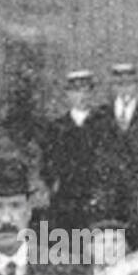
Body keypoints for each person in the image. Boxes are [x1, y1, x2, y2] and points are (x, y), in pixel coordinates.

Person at [91, 63, 138, 250]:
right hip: (107, 197)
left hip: (135, 194)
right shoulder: (98, 117)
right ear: (113, 86)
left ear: (136, 86)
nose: (124, 89)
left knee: (137, 243)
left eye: (129, 84)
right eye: (119, 84)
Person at [40, 69, 100, 232]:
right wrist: (54, 186)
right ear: (68, 95)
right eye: (76, 91)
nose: (82, 96)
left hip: (96, 199)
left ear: (92, 94)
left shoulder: (103, 124)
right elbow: (47, 165)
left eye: (86, 91)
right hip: (66, 201)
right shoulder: (57, 128)